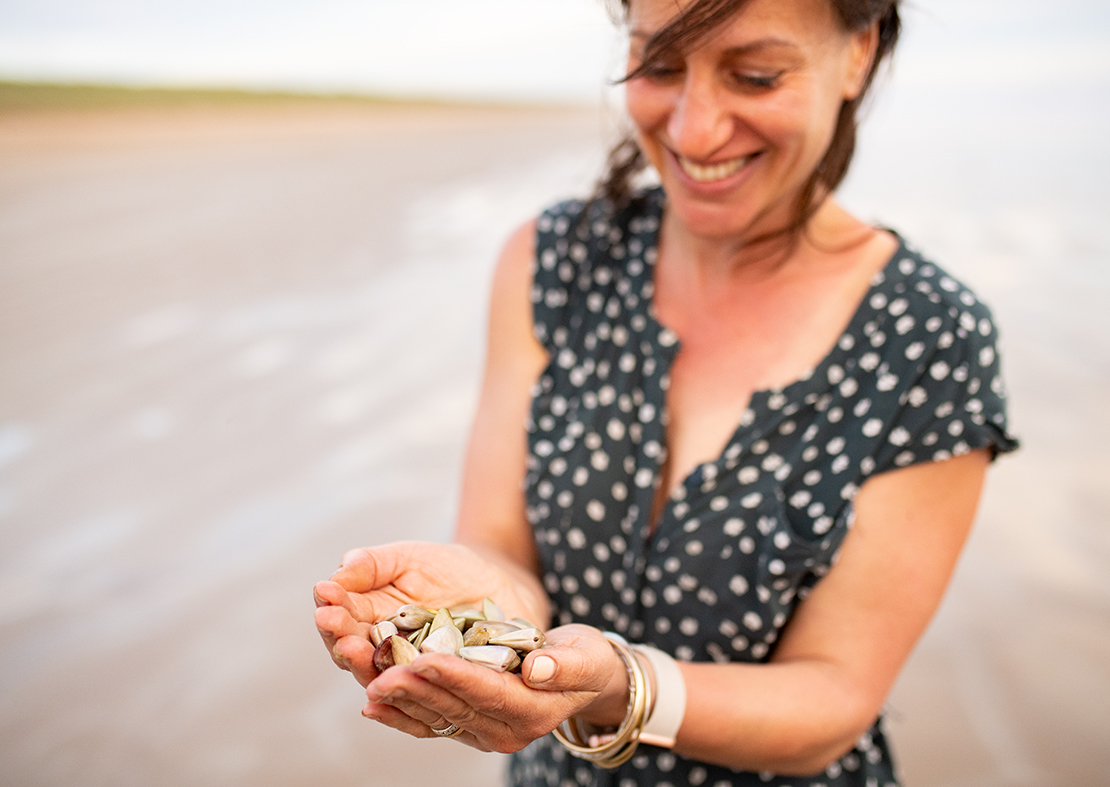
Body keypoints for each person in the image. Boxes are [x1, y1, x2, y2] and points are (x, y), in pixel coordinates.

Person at [313, 0, 1019, 784]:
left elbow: (835, 695)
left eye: (754, 75)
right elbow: (502, 547)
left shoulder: (928, 335)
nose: (691, 131)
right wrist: (483, 601)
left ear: (858, 52)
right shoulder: (553, 261)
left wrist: (621, 685)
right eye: (658, 64)